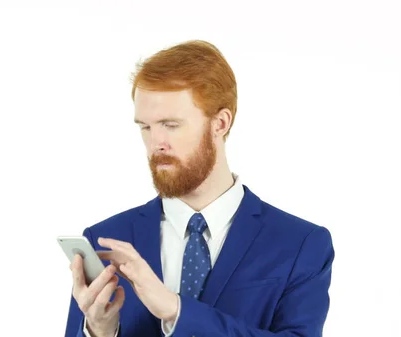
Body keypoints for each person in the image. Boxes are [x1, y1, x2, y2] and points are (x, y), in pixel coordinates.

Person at [64, 39, 335, 337]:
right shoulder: (105, 242)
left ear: (220, 123)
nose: (156, 143)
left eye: (171, 124)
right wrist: (98, 331)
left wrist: (176, 310)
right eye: (145, 127)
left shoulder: (300, 245)